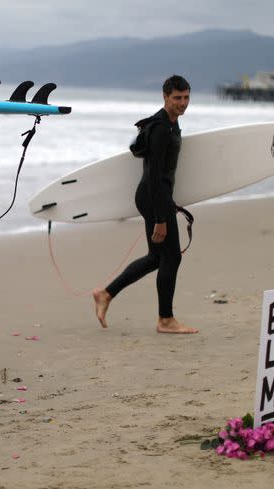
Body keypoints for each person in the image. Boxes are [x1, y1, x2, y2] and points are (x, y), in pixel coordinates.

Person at [93, 75, 198, 334]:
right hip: (153, 198)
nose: (182, 103)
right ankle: (165, 320)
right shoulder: (162, 128)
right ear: (165, 97)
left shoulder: (171, 124)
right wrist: (162, 217)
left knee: (155, 258)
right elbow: (154, 177)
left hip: (157, 197)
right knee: (171, 257)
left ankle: (106, 294)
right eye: (177, 98)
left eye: (186, 98)